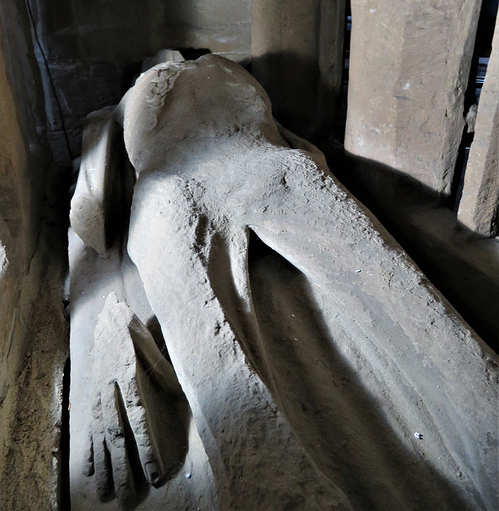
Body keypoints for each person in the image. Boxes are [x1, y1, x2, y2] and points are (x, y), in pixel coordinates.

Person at [70, 53, 498, 511]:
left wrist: (306, 161)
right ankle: (272, 486)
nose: (169, 55)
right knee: (212, 355)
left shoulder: (221, 68)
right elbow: (92, 217)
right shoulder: (114, 114)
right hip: (175, 184)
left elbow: (90, 217)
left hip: (267, 161)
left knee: (400, 297)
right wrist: (111, 328)